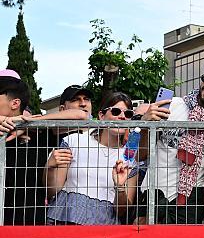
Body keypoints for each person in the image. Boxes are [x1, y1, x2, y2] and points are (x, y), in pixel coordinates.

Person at [139, 59, 204, 224]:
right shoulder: (173, 105)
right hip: (154, 190)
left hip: (190, 199)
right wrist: (145, 125)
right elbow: (140, 155)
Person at [0, 75, 88, 225]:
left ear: (15, 103)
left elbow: (82, 117)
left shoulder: (39, 131)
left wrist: (31, 122)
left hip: (29, 220)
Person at [45, 92, 139, 225]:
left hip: (103, 227)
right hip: (65, 220)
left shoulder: (129, 160)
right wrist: (50, 167)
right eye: (116, 111)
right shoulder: (74, 141)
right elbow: (51, 191)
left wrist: (120, 187)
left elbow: (122, 211)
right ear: (101, 115)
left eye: (128, 114)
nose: (122, 117)